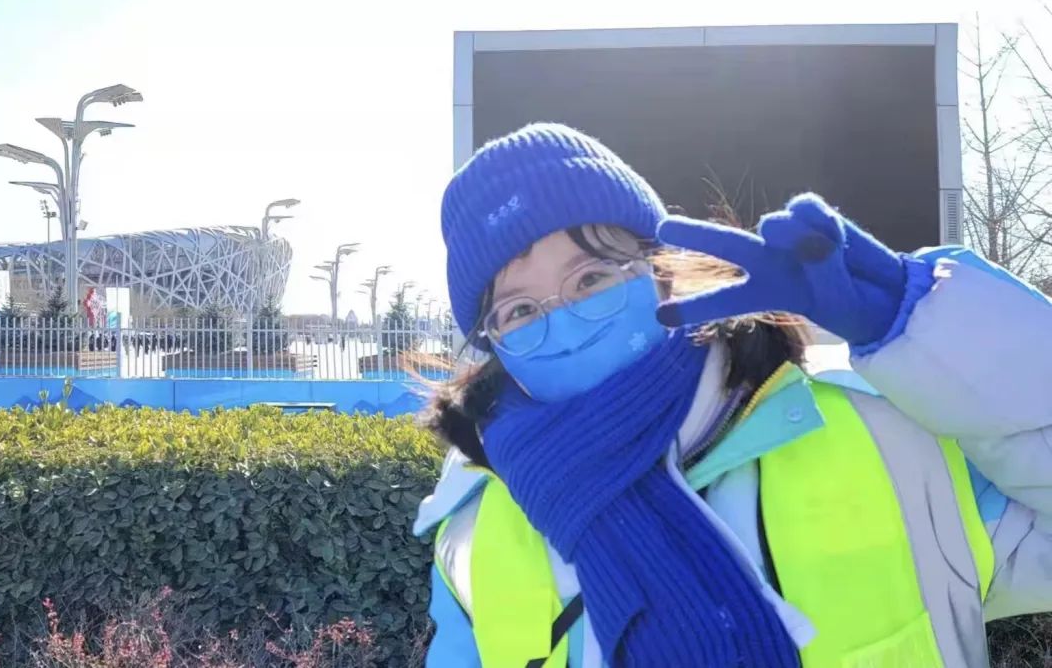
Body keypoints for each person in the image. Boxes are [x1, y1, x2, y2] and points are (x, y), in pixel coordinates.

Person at [414, 123, 1052, 668]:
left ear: (659, 269)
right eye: (520, 310)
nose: (564, 318)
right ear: (493, 346)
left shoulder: (885, 432)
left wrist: (932, 325)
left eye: (591, 278)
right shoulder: (476, 527)